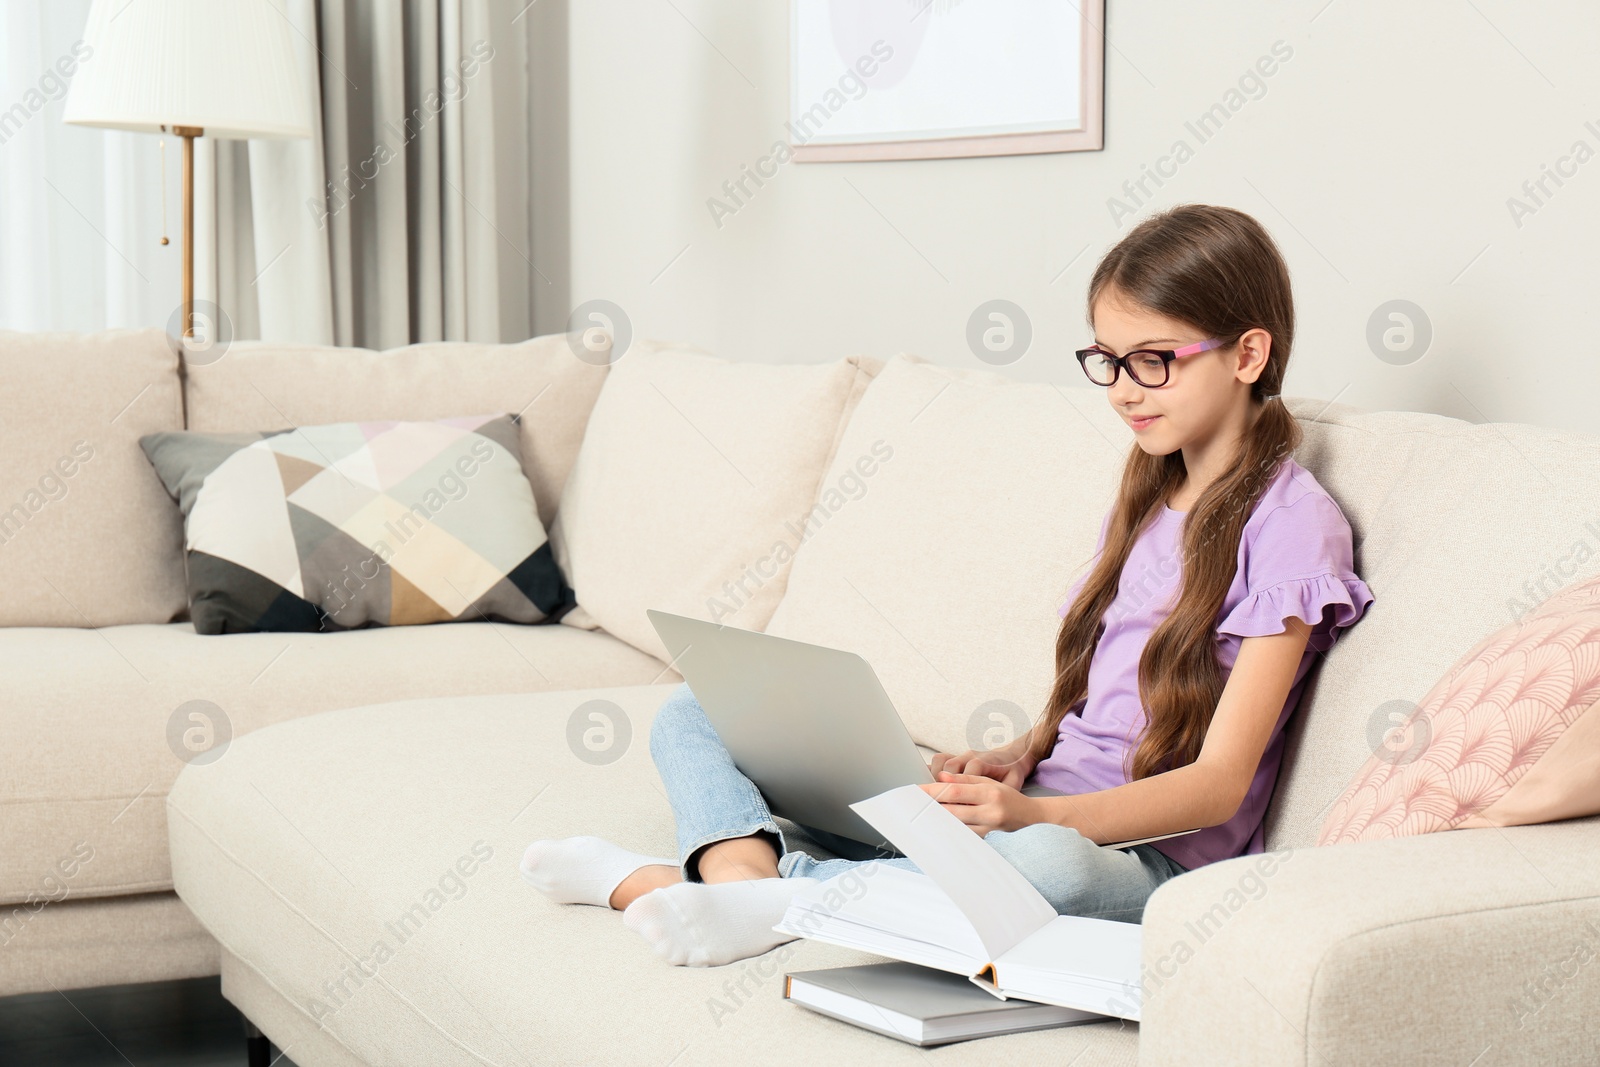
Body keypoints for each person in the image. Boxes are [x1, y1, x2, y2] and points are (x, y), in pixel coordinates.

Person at [521, 203, 1375, 967]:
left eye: (1152, 361)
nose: (1121, 391)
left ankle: (703, 884)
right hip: (1033, 808)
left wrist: (1037, 821)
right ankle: (747, 884)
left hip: (1139, 857)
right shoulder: (1152, 491)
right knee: (693, 710)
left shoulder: (1292, 524)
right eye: (1105, 361)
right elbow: (1106, 697)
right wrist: (1022, 754)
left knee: (1043, 870)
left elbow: (1221, 783)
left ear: (1249, 353)